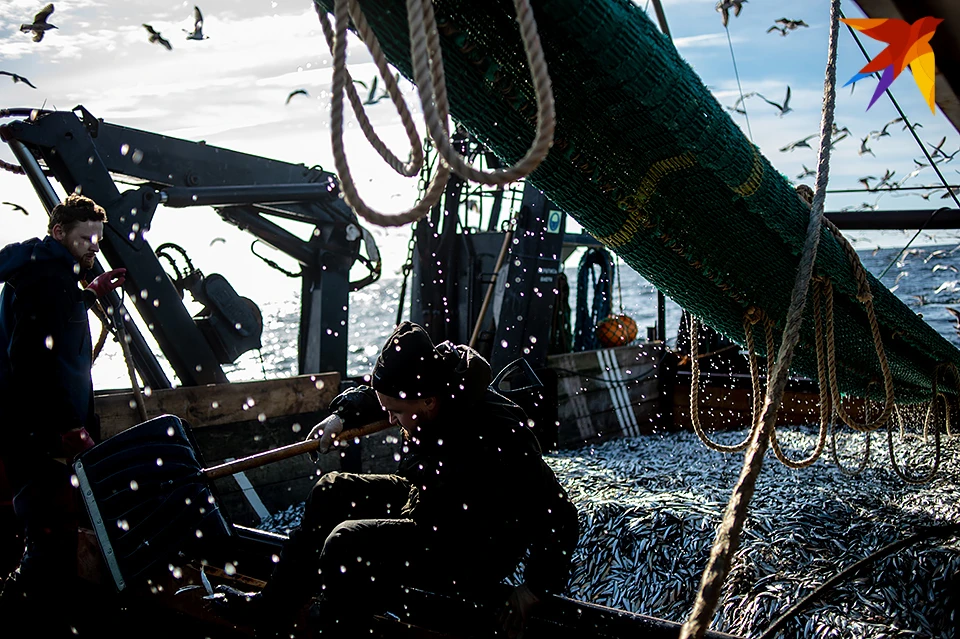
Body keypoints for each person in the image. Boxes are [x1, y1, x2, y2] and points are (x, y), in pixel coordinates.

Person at [216, 321, 580, 637]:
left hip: (470, 546)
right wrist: (342, 416)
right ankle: (273, 607)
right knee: (332, 491)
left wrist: (532, 590)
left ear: (429, 403)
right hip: (432, 503)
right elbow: (384, 394)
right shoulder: (436, 376)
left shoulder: (499, 433)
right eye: (387, 409)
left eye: (396, 413)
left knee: (346, 543)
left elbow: (560, 515)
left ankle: (336, 626)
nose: (390, 420)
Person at [0, 194, 125, 626]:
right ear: (59, 233)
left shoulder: (47, 274)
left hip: (35, 433)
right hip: (42, 438)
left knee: (46, 535)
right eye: (86, 238)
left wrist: (88, 296)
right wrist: (68, 427)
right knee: (49, 542)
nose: (94, 246)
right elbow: (32, 362)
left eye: (98, 239)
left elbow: (51, 325)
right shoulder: (46, 281)